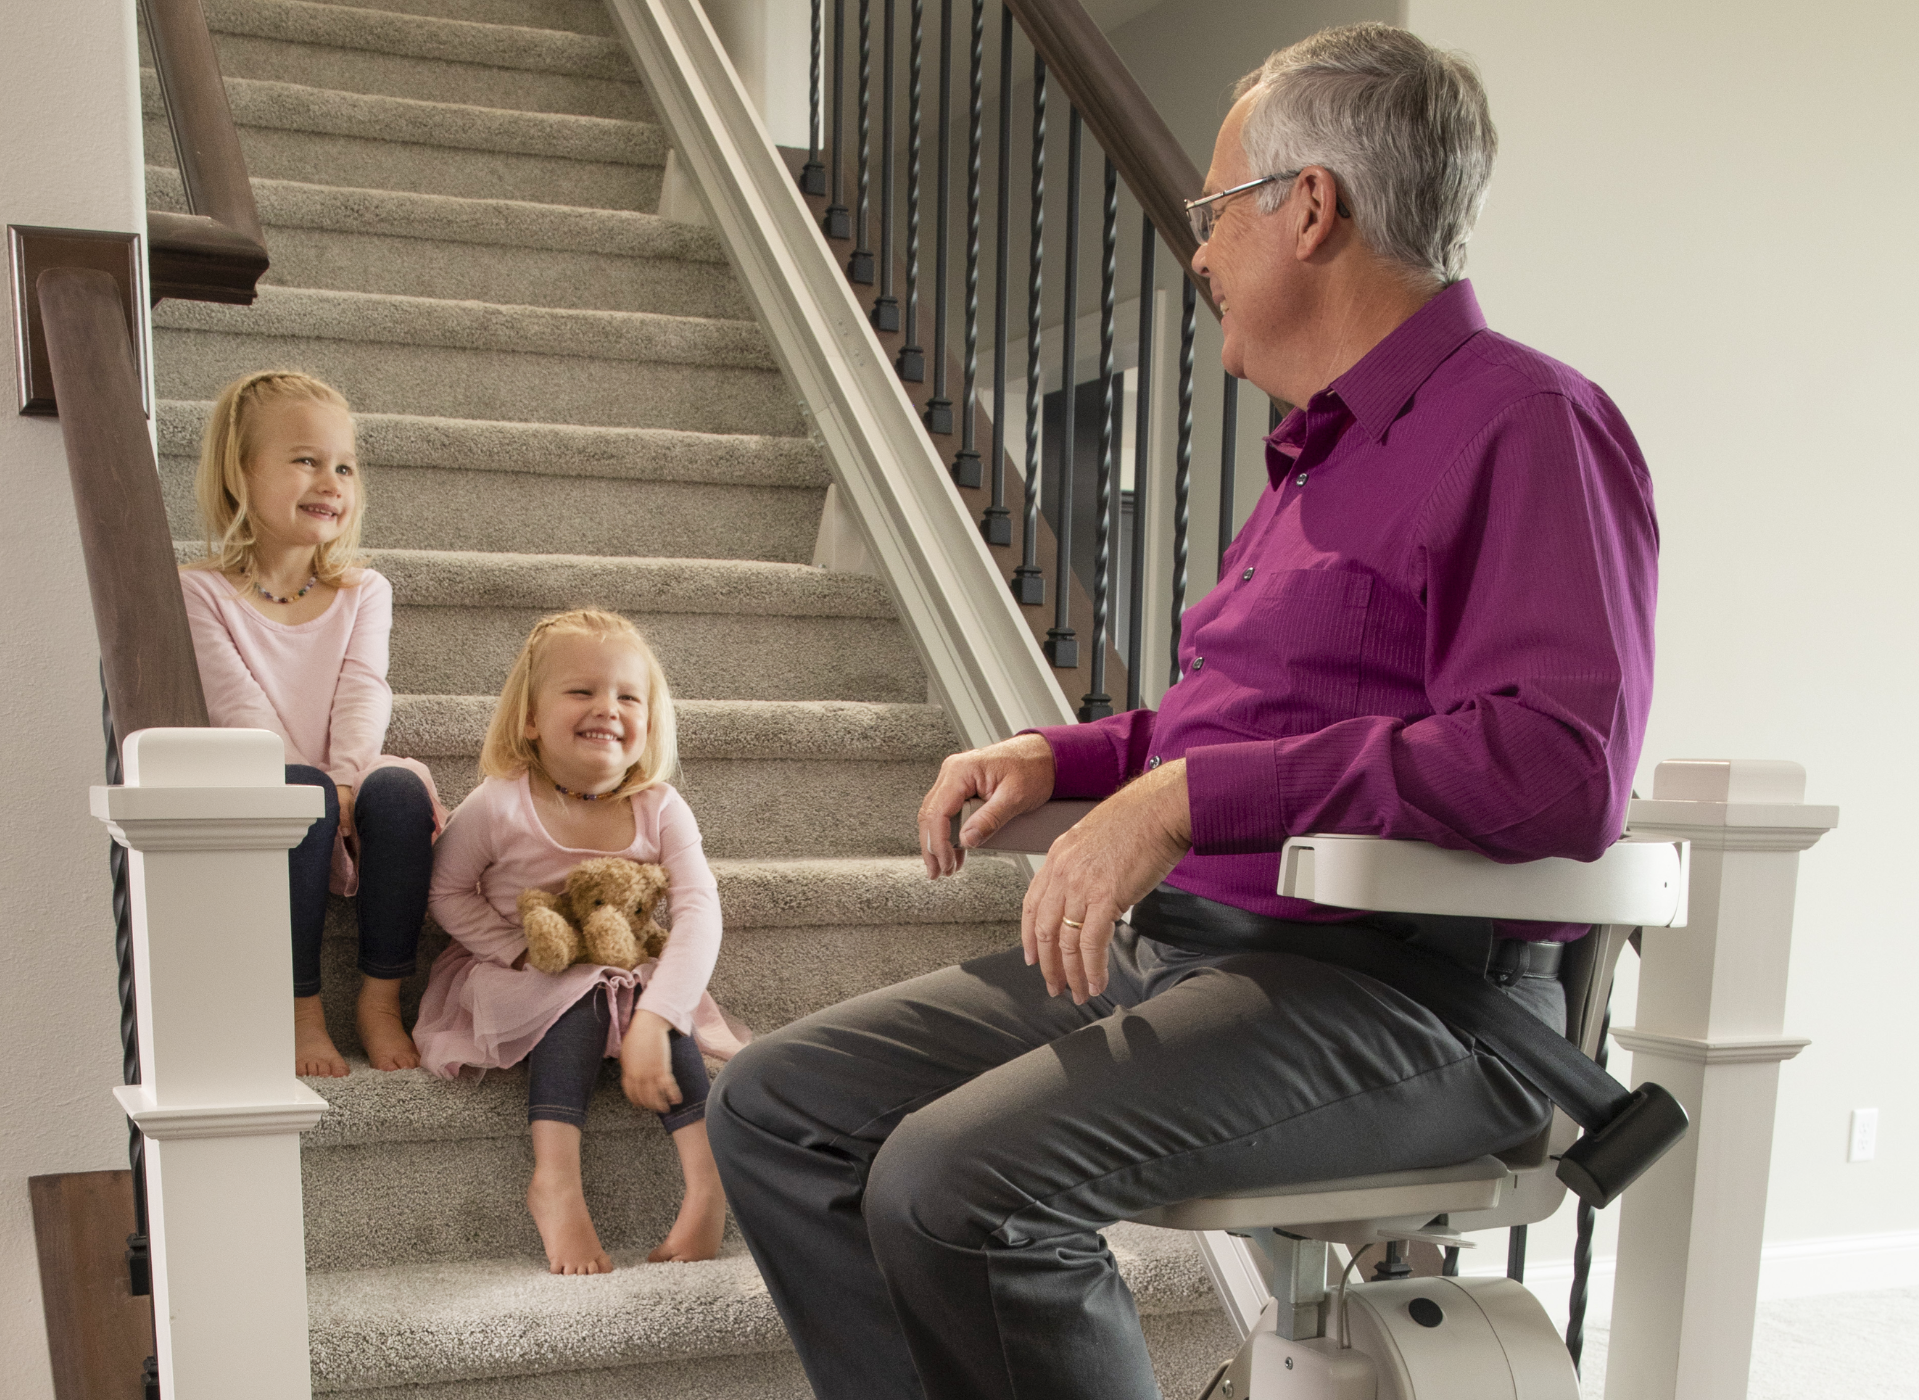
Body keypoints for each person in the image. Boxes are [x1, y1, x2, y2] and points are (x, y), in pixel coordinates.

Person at [708, 23, 1658, 1400]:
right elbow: (1240, 726)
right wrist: (1073, 756)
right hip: (1209, 961)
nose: (1198, 251)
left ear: (1311, 208)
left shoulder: (1530, 424)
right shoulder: (1315, 458)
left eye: (1218, 215)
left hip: (1410, 1002)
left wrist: (1197, 799)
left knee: (955, 1184)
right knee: (780, 1107)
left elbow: (1556, 764)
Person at [414, 609, 747, 1274]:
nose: (608, 708)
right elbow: (444, 891)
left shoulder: (659, 806)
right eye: (581, 691)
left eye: (629, 696)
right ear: (531, 718)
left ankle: (709, 1185)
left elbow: (698, 910)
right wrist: (515, 948)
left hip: (630, 974)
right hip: (521, 971)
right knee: (581, 993)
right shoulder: (501, 803)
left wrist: (660, 1012)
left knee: (659, 998)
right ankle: (556, 1180)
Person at [181, 370, 443, 1079]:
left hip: (346, 770)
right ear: (242, 473)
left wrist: (350, 780)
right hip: (266, 780)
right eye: (305, 460)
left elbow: (364, 687)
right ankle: (300, 1007)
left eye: (344, 466)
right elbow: (240, 711)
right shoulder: (200, 592)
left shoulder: (363, 590)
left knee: (401, 795)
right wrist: (322, 791)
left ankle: (381, 998)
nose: (330, 481)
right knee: (300, 789)